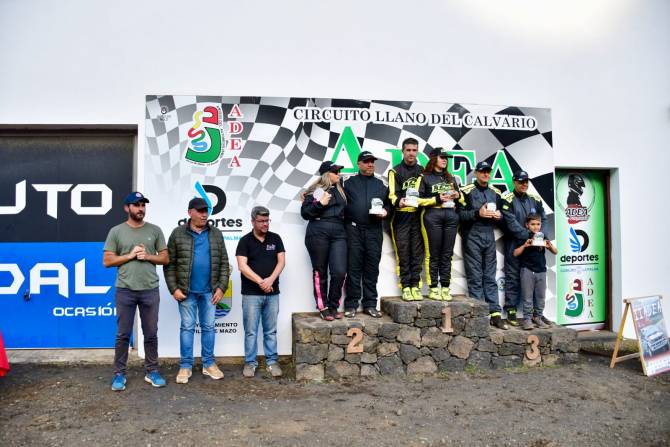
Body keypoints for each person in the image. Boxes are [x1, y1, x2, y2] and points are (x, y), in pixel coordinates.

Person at [103, 192, 169, 391]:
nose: (140, 208)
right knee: (123, 334)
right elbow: (107, 261)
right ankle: (119, 374)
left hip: (150, 289)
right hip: (125, 290)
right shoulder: (116, 231)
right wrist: (130, 255)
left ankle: (152, 371)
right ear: (127, 208)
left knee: (151, 333)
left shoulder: (154, 230)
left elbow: (165, 258)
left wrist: (147, 256)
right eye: (136, 205)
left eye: (143, 205)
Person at [164, 197, 230, 384]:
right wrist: (174, 289)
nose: (204, 214)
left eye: (206, 211)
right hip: (186, 292)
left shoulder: (216, 233)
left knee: (209, 327)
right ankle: (185, 365)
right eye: (200, 211)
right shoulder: (178, 233)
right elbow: (169, 265)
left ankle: (209, 364)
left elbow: (224, 263)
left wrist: (221, 287)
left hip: (210, 291)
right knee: (187, 327)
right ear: (190, 212)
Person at [236, 206, 286, 378]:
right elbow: (242, 266)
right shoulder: (245, 241)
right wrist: (261, 282)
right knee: (251, 331)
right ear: (253, 221)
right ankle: (250, 363)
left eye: (267, 220)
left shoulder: (275, 238)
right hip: (251, 294)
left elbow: (281, 262)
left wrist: (270, 280)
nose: (265, 224)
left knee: (270, 331)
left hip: (272, 294)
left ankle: (272, 362)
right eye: (261, 221)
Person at [458, 162, 508, 329]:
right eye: (482, 171)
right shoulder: (466, 191)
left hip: (489, 235)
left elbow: (503, 215)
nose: (486, 174)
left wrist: (499, 216)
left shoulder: (496, 192)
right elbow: (459, 215)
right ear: (476, 173)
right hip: (471, 235)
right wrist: (477, 213)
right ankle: (479, 315)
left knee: (490, 276)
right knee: (475, 276)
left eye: (488, 172)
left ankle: (495, 314)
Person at [342, 151, 390, 318]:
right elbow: (328, 187)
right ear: (359, 164)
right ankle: (351, 305)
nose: (370, 164)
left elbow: (390, 204)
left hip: (374, 230)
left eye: (372, 161)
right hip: (353, 230)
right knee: (353, 268)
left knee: (371, 269)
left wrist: (386, 211)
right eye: (366, 161)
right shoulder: (347, 182)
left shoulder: (381, 184)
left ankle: (370, 304)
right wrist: (309, 193)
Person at [301, 161, 347, 321]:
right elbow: (305, 213)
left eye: (339, 171)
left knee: (340, 271)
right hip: (318, 231)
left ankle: (334, 305)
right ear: (327, 174)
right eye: (335, 172)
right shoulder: (315, 190)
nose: (339, 174)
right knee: (320, 271)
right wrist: (320, 204)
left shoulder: (341, 189)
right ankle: (323, 306)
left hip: (339, 231)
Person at [501, 170, 547, 326]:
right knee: (513, 276)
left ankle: (537, 314)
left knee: (535, 278)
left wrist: (541, 236)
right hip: (515, 243)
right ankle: (511, 310)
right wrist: (530, 236)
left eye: (526, 181)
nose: (524, 184)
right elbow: (511, 223)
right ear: (514, 182)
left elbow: (544, 219)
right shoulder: (507, 199)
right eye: (521, 181)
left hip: (534, 245)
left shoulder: (535, 199)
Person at [418, 148, 460, 301]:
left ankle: (446, 287)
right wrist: (437, 199)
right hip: (432, 215)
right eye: (442, 157)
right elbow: (416, 200)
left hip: (450, 217)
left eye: (446, 158)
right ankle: (433, 287)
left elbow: (461, 199)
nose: (445, 160)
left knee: (447, 254)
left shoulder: (450, 177)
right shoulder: (424, 177)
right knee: (433, 254)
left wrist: (457, 195)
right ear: (433, 158)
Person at [388, 138, 425, 301]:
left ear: (417, 152)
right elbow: (392, 194)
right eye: (408, 150)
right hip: (401, 216)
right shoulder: (395, 171)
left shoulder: (423, 171)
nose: (411, 153)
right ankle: (405, 287)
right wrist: (399, 201)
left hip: (418, 216)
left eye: (414, 150)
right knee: (403, 253)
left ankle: (415, 286)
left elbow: (426, 192)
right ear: (402, 151)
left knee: (417, 253)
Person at [513, 214, 557, 330]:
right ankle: (527, 319)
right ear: (527, 225)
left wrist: (549, 246)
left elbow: (555, 251)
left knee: (541, 297)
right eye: (532, 224)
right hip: (527, 270)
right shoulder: (524, 236)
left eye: (538, 224)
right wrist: (525, 245)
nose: (536, 227)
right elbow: (515, 253)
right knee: (527, 297)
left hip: (541, 270)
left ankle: (538, 317)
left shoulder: (543, 236)